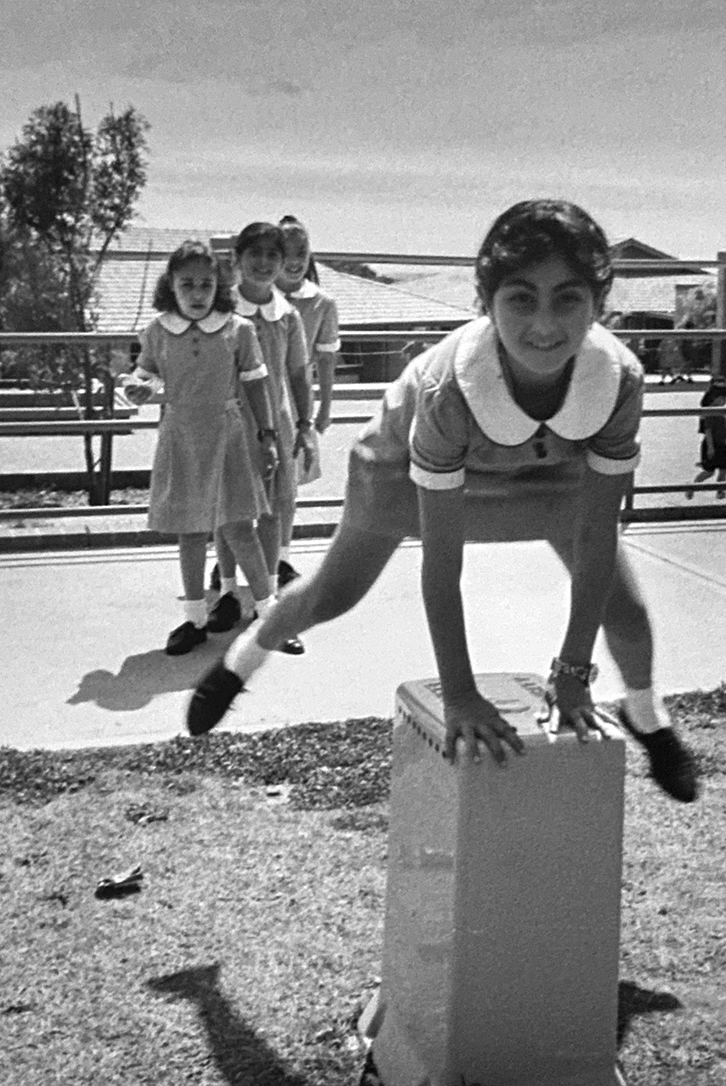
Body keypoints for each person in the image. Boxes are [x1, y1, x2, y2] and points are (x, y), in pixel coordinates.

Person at [185, 198, 697, 803]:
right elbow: (442, 561)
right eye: (520, 299)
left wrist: (572, 676)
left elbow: (595, 535)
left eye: (568, 298)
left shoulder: (619, 380)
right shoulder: (449, 388)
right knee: (334, 594)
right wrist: (460, 693)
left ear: (599, 305)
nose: (544, 324)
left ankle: (647, 715)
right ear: (485, 303)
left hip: (550, 468)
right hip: (402, 469)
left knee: (628, 611)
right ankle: (240, 661)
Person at [120, 241, 284, 657]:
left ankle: (271, 618)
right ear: (171, 286)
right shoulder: (158, 331)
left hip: (227, 436)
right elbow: (145, 374)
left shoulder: (237, 329)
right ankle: (194, 619)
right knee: (190, 531)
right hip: (181, 436)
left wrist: (267, 435)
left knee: (238, 528)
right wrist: (137, 389)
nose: (196, 294)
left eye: (206, 285)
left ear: (219, 288)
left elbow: (255, 382)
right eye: (187, 284)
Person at [202, 223, 317, 654]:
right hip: (228, 422)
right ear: (238, 258)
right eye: (256, 254)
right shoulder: (220, 312)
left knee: (271, 510)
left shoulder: (286, 315)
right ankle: (231, 595)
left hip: (275, 421)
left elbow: (298, 373)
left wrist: (305, 425)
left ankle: (268, 603)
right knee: (230, 511)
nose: (265, 263)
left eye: (274, 255)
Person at [276, 213, 340, 565]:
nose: (295, 259)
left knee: (287, 486)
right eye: (286, 250)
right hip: (256, 396)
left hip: (297, 400)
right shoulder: (256, 297)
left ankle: (281, 558)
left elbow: (327, 359)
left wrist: (324, 409)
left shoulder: (321, 303)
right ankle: (229, 559)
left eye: (302, 250)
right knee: (245, 482)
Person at [685, 377, 726, 499]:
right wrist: (710, 448)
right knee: (709, 472)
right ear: (713, 399)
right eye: (721, 398)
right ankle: (693, 486)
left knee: (724, 470)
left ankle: (721, 492)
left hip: (722, 444)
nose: (724, 401)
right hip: (712, 444)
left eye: (725, 399)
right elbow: (708, 431)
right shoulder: (710, 412)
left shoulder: (721, 411)